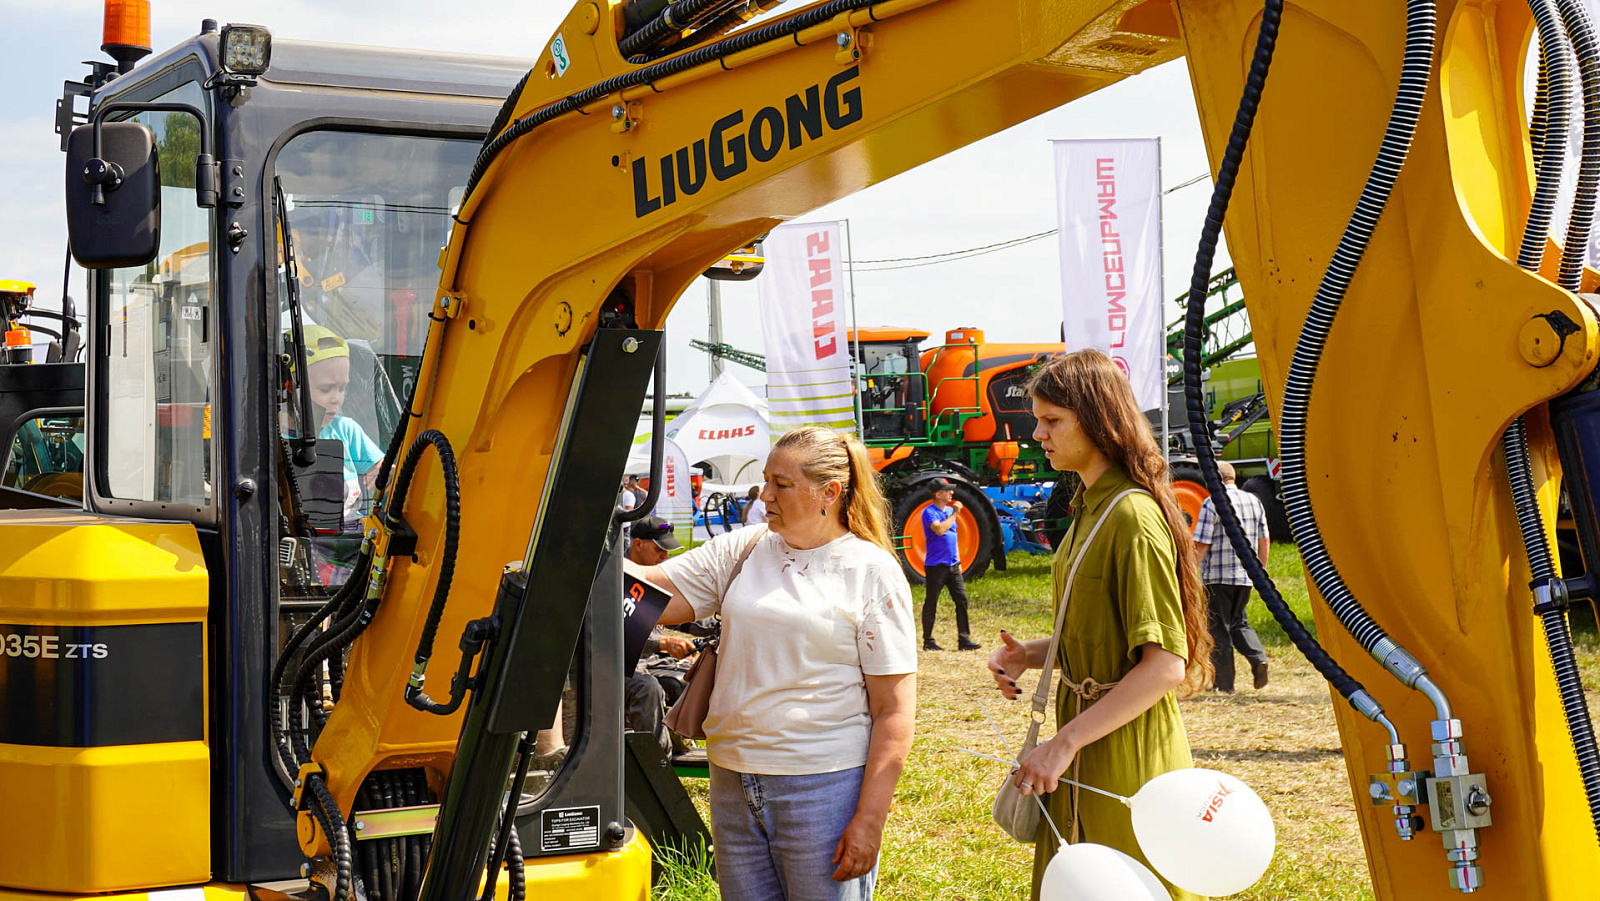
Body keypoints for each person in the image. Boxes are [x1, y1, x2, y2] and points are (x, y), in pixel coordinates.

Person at [629, 427, 917, 900]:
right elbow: (652, 591)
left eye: (781, 484)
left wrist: (869, 820)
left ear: (830, 492)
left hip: (822, 789)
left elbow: (895, 710)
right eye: (765, 480)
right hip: (731, 783)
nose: (765, 494)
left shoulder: (871, 571)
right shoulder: (745, 548)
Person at [985, 349, 1212, 901]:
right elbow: (1102, 632)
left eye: (1052, 420)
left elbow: (1164, 666)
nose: (1037, 434)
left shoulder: (1131, 516)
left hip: (1124, 749)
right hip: (1085, 738)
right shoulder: (1090, 505)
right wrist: (1029, 654)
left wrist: (1063, 744)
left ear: (1098, 420)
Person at [1191, 460, 1271, 692]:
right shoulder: (1254, 501)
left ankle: (1223, 685)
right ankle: (1258, 657)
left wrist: (1190, 572)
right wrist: (1260, 571)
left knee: (1219, 629)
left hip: (1217, 576)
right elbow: (1264, 539)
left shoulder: (1212, 502)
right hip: (1246, 576)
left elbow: (1202, 543)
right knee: (1239, 623)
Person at [624, 516, 695, 754]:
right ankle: (657, 760)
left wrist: (719, 619)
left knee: (698, 676)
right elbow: (616, 632)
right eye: (659, 549)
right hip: (616, 667)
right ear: (637, 544)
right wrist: (663, 643)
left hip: (651, 662)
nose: (665, 556)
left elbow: (683, 614)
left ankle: (685, 743)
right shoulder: (615, 580)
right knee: (647, 688)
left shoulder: (655, 576)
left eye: (668, 550)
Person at [919, 478, 979, 652]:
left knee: (962, 600)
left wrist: (958, 560)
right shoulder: (929, 512)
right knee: (931, 602)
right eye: (948, 490)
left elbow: (953, 536)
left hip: (953, 565)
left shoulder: (949, 511)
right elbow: (939, 530)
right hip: (936, 566)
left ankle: (964, 640)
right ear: (938, 494)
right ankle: (928, 641)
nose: (952, 493)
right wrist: (955, 514)